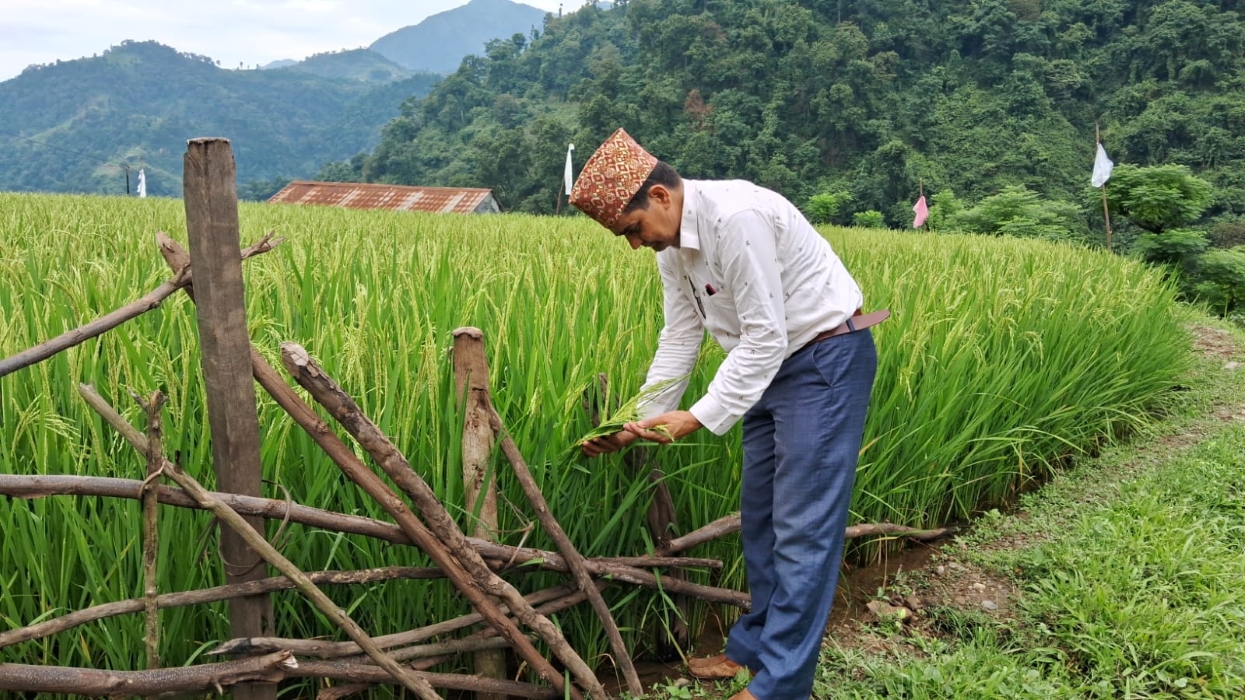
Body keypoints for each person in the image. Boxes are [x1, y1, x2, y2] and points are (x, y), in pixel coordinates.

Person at [572, 128, 885, 700]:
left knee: (804, 526)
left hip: (822, 360)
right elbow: (682, 334)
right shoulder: (675, 247)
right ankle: (752, 651)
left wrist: (696, 415)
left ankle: (781, 685)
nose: (635, 245)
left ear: (660, 197)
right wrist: (635, 421)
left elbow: (765, 336)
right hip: (765, 369)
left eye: (633, 230)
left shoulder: (735, 217)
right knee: (762, 516)